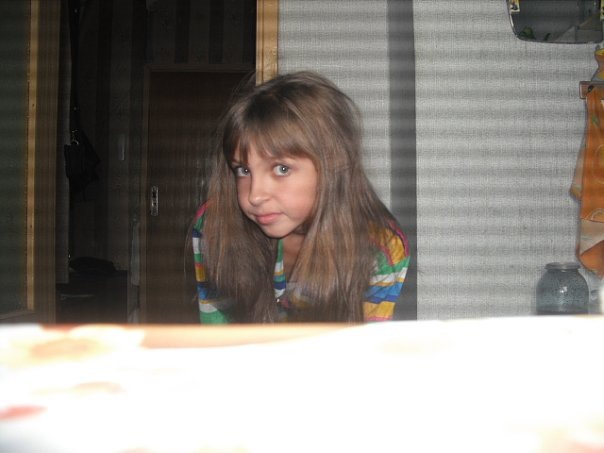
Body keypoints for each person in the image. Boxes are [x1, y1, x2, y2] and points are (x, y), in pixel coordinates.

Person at [192, 71, 410, 323]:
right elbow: (218, 334)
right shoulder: (215, 225)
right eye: (243, 170)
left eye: (282, 169)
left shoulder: (380, 247)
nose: (255, 195)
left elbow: (364, 343)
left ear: (332, 166)